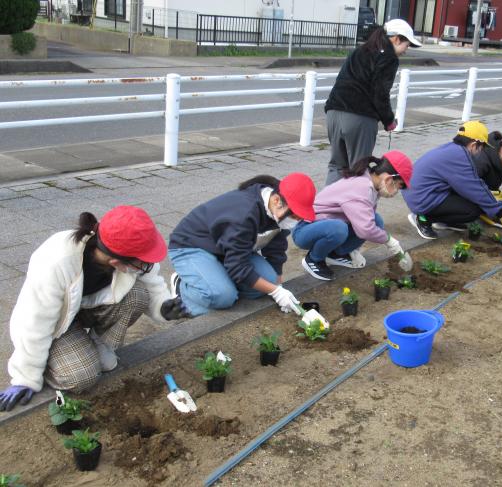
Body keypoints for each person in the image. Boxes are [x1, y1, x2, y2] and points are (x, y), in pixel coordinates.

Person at [0, 206, 175, 412]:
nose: (147, 264)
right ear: (117, 262)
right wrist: (26, 376)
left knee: (137, 295)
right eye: (142, 262)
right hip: (56, 324)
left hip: (85, 311)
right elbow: (36, 322)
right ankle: (55, 361)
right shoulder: (57, 261)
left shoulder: (129, 255)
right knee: (82, 377)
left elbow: (153, 287)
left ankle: (96, 345)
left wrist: (167, 309)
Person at [168, 173, 316, 317]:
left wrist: (278, 285)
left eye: (299, 217)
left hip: (226, 249)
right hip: (192, 246)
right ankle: (183, 287)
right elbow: (237, 266)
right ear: (277, 200)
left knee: (266, 285)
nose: (295, 221)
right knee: (223, 296)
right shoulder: (244, 213)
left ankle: (217, 276)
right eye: (294, 215)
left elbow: (276, 248)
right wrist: (275, 292)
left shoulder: (276, 211)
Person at [323, 18, 421, 185]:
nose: (406, 50)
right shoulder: (389, 57)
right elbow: (380, 93)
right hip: (359, 117)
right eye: (407, 44)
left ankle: (325, 209)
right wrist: (389, 120)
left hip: (334, 112)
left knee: (336, 166)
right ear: (396, 39)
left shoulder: (361, 49)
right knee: (358, 170)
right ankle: (353, 209)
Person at [293, 150, 414, 281]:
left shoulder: (371, 184)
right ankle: (314, 259)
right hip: (305, 229)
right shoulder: (361, 188)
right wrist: (390, 241)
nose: (397, 191)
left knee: (376, 220)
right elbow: (365, 229)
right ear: (389, 179)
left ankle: (335, 254)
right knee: (339, 229)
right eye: (399, 186)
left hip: (326, 225)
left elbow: (366, 219)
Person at [403, 121, 502, 240]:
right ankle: (423, 219)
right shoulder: (459, 157)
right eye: (482, 147)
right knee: (473, 211)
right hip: (421, 198)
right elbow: (474, 187)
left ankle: (445, 221)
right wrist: (500, 212)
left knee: (467, 200)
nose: (481, 151)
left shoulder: (453, 149)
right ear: (473, 145)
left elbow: (472, 183)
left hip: (419, 191)